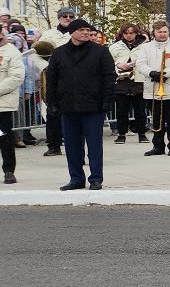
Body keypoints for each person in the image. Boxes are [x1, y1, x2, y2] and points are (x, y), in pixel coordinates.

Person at [45, 19, 117, 191]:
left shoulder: (100, 52)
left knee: (94, 145)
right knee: (72, 145)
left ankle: (96, 179)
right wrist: (52, 103)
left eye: (88, 30)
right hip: (68, 106)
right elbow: (52, 80)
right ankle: (76, 178)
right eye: (82, 30)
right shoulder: (59, 53)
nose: (86, 33)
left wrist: (107, 100)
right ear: (72, 32)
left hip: (94, 106)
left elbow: (109, 77)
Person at [134, 21, 170, 157]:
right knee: (156, 120)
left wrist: (166, 74)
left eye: (165, 31)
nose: (162, 34)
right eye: (159, 32)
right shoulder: (145, 47)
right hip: (153, 88)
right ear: (154, 33)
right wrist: (152, 73)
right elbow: (140, 64)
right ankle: (158, 146)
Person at [39, 7, 78, 156]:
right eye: (65, 16)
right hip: (52, 76)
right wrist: (47, 67)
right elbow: (35, 54)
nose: (68, 18)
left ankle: (72, 146)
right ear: (59, 18)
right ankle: (53, 145)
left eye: (70, 16)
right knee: (52, 111)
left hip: (72, 76)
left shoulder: (76, 34)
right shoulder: (48, 34)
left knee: (71, 112)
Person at [109, 24, 148, 143]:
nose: (129, 35)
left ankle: (142, 133)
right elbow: (110, 61)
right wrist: (118, 65)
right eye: (126, 33)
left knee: (140, 110)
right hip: (122, 81)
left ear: (136, 33)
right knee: (121, 110)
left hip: (139, 81)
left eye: (131, 33)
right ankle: (121, 134)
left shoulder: (145, 46)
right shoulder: (115, 47)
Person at [0, 30, 20, 183]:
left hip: (3, 105)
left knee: (5, 140)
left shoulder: (11, 52)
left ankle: (8, 171)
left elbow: (16, 77)